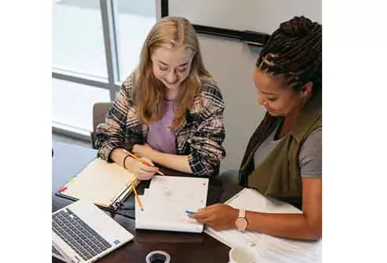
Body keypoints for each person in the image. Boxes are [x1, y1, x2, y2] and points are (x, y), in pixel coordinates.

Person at [189, 16, 322, 241]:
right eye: (259, 91)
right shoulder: (287, 106)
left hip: (283, 238)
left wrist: (237, 218)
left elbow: (314, 226)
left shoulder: (318, 139)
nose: (261, 101)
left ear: (305, 90)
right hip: (256, 198)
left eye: (270, 97)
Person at [95, 16, 226, 180]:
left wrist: (151, 155)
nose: (171, 78)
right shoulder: (135, 84)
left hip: (187, 183)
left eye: (182, 68)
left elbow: (206, 163)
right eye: (163, 67)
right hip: (141, 177)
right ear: (150, 56)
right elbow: (106, 136)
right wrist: (130, 163)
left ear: (193, 60)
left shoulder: (206, 94)